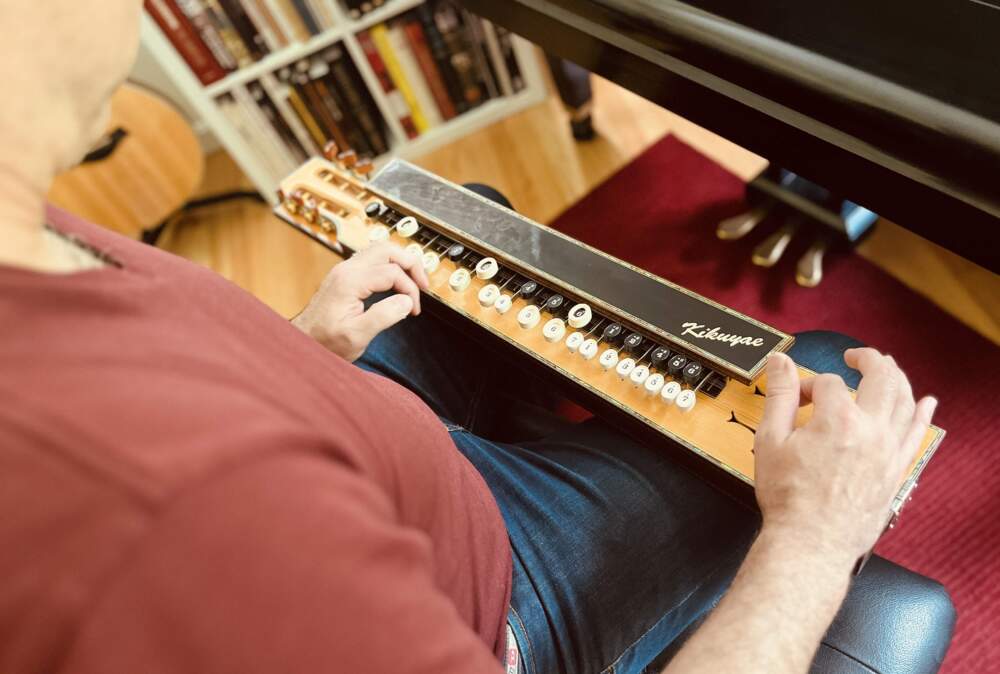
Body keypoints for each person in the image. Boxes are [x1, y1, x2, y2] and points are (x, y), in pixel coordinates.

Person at [0, 2, 937, 673]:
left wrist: (298, 350)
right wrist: (815, 538)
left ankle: (557, 427)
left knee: (470, 222)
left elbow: (167, 385)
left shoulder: (25, 230)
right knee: (820, 378)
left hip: (369, 456)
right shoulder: (168, 522)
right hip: (493, 608)